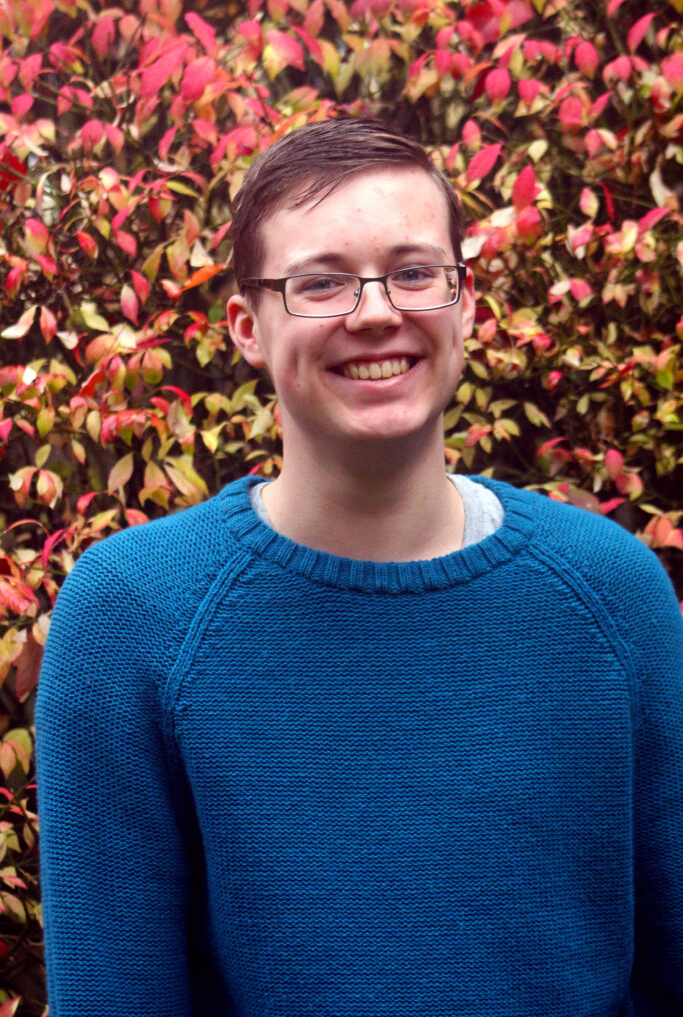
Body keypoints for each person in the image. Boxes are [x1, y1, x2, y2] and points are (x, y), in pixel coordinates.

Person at [36, 118, 683, 1017]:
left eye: (415, 271)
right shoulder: (131, 615)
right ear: (246, 327)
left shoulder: (614, 596)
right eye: (321, 281)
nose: (375, 310)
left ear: (466, 304)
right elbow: (115, 993)